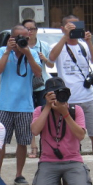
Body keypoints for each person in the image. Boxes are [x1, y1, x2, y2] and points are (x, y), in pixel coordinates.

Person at [48, 15, 93, 185]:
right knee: (70, 137)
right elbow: (51, 59)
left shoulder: (84, 46)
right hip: (69, 101)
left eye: (76, 26)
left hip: (89, 98)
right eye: (70, 27)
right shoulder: (60, 46)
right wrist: (65, 36)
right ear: (63, 28)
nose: (74, 29)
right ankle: (74, 171)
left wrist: (89, 42)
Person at [0, 24, 42, 185]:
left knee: (23, 142)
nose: (22, 40)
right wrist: (8, 51)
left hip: (25, 106)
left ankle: (19, 174)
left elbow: (38, 72)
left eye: (25, 38)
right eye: (19, 37)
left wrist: (27, 53)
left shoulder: (32, 52)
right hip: (4, 105)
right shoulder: (2, 51)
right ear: (11, 38)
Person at [30, 77, 91, 185]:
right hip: (49, 161)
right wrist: (47, 107)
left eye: (60, 93)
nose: (57, 97)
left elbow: (80, 136)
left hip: (72, 160)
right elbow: (35, 131)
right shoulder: (39, 110)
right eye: (53, 94)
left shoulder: (76, 110)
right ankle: (57, 180)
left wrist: (65, 114)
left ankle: (72, 177)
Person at [22, 18, 55, 158]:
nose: (30, 32)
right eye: (27, 29)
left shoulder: (44, 45)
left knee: (44, 115)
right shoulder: (21, 45)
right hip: (26, 85)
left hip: (42, 85)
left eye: (32, 29)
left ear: (36, 30)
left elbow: (51, 65)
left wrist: (44, 59)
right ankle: (33, 146)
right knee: (30, 117)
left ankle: (46, 146)